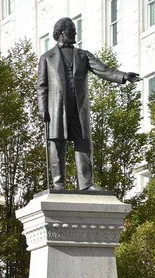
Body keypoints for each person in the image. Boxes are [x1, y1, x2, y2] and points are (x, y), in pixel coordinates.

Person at [37, 17, 140, 191]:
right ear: (61, 32)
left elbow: (103, 70)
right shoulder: (47, 58)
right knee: (57, 143)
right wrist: (42, 108)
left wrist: (123, 76)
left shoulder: (83, 55)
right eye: (71, 30)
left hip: (79, 107)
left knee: (83, 142)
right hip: (57, 108)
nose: (75, 33)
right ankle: (58, 183)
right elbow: (42, 85)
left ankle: (86, 183)